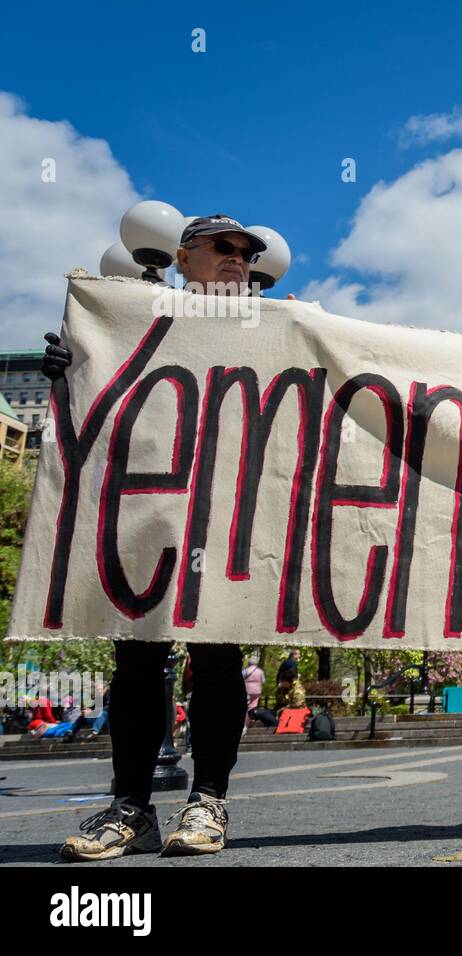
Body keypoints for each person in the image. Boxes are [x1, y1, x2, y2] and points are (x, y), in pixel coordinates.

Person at [52, 215, 271, 861]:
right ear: (182, 256)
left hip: (228, 504)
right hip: (147, 502)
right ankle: (131, 808)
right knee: (138, 657)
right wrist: (70, 370)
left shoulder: (279, 327)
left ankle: (208, 801)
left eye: (247, 253)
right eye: (223, 248)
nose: (239, 259)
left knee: (217, 655)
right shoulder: (134, 316)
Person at [242, 657, 266, 722]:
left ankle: (246, 718)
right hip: (257, 690)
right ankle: (252, 717)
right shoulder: (260, 671)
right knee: (254, 704)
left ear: (249, 663)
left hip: (247, 689)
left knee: (246, 704)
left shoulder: (246, 671)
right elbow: (263, 681)